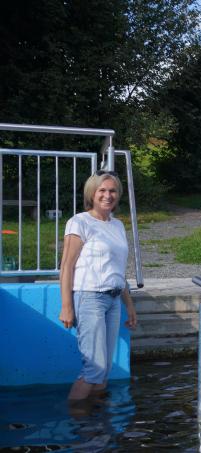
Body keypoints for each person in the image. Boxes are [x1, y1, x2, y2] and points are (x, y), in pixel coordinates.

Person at [58, 171, 137, 401]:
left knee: (104, 371)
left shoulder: (118, 225)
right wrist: (67, 306)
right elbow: (66, 267)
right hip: (89, 298)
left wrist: (129, 306)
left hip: (113, 300)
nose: (107, 195)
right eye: (102, 190)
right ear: (91, 193)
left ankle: (98, 427)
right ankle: (77, 422)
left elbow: (118, 270)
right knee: (94, 368)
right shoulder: (79, 222)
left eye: (112, 191)